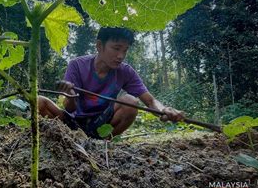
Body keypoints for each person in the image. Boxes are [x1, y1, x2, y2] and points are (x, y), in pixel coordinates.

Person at [38, 27, 185, 138]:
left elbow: (150, 101)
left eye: (125, 50)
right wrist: (70, 95)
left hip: (102, 123)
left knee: (131, 102)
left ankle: (103, 143)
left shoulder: (125, 71)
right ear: (99, 46)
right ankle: (65, 138)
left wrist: (164, 109)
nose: (120, 56)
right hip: (72, 121)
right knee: (39, 102)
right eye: (116, 48)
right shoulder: (77, 65)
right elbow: (70, 109)